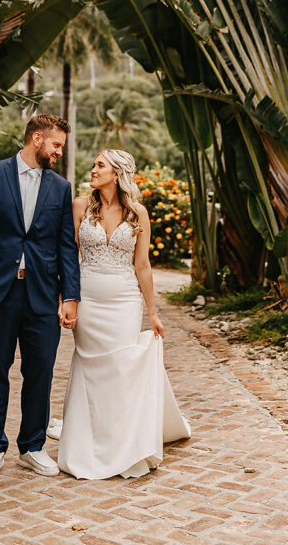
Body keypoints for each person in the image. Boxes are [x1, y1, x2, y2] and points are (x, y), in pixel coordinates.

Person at [0, 114, 80, 481]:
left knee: (40, 371)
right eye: (56, 145)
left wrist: (70, 295)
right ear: (36, 138)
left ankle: (33, 447)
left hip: (42, 293)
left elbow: (65, 247)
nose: (58, 152)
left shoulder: (60, 187)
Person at [56, 148, 191, 479]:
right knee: (90, 365)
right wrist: (66, 298)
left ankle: (124, 443)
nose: (93, 169)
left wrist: (153, 313)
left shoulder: (138, 213)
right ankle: (87, 442)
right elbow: (67, 258)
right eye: (94, 164)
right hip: (88, 299)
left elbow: (142, 266)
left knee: (120, 368)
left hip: (124, 302)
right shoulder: (79, 206)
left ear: (116, 173)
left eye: (99, 165)